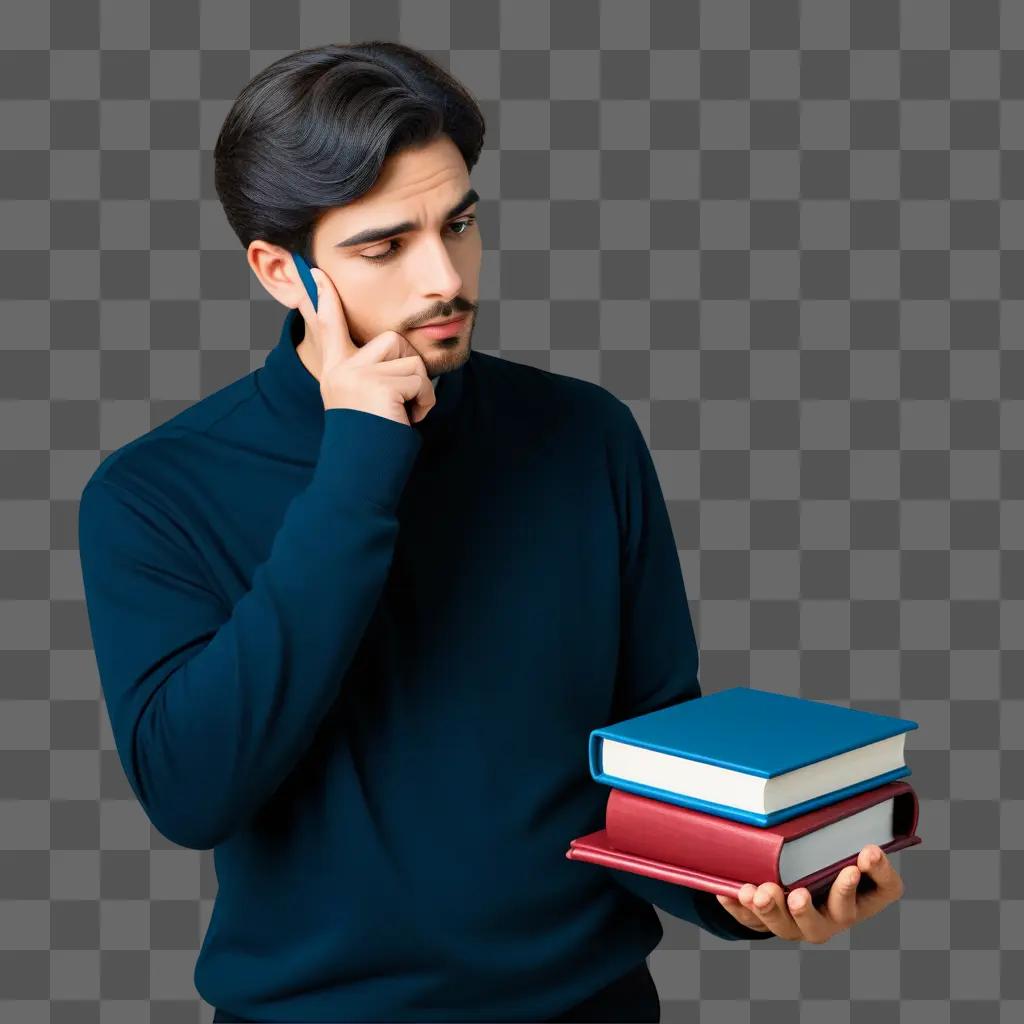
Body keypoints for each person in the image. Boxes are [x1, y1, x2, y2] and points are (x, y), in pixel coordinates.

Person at [79, 40, 897, 1024]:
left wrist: (754, 895)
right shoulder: (153, 492)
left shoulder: (581, 434)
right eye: (385, 246)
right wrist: (358, 459)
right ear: (280, 271)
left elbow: (639, 749)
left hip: (591, 1004)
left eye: (458, 224)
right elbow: (192, 792)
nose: (444, 277)